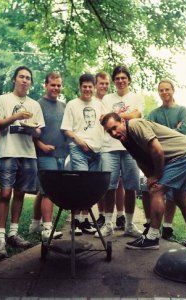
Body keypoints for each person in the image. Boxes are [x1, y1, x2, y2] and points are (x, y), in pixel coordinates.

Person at [101, 113, 186, 249]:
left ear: (123, 121)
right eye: (109, 131)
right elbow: (140, 160)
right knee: (180, 199)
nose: (113, 133)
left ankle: (152, 238)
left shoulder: (136, 125)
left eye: (115, 127)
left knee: (157, 190)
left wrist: (156, 176)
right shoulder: (124, 138)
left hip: (182, 155)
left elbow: (158, 151)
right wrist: (150, 178)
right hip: (185, 154)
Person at [0, 66, 45, 258]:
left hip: (28, 153)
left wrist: (33, 130)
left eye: (28, 78)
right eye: (21, 77)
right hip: (8, 151)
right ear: (14, 80)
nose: (25, 80)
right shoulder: (3, 100)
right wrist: (16, 117)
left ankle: (13, 233)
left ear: (31, 83)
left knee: (20, 193)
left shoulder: (34, 105)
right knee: (5, 193)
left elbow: (39, 130)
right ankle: (0, 237)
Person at [96, 66, 143, 238]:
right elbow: (103, 119)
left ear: (128, 79)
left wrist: (114, 115)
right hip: (109, 148)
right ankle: (108, 224)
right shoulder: (107, 98)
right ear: (114, 81)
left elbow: (137, 114)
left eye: (124, 77)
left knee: (131, 187)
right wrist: (123, 115)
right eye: (117, 78)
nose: (121, 80)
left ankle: (129, 225)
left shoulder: (136, 97)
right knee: (109, 187)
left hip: (131, 147)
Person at [146, 79, 186, 239]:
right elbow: (148, 132)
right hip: (161, 158)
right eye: (161, 90)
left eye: (167, 89)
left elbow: (182, 132)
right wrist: (173, 130)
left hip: (181, 156)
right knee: (157, 191)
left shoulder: (182, 111)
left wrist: (162, 135)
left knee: (175, 194)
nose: (164, 92)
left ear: (173, 90)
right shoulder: (154, 113)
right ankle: (153, 225)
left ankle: (168, 226)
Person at [61, 73, 104, 235]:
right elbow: (66, 129)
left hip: (96, 150)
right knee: (81, 184)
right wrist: (80, 142)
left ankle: (84, 220)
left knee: (91, 186)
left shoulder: (99, 104)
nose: (87, 89)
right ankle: (75, 221)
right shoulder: (72, 104)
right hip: (78, 149)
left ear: (94, 87)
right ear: (80, 87)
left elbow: (106, 123)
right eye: (84, 86)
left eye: (90, 86)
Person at [29, 72, 68, 241]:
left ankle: (35, 223)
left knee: (43, 190)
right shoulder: (37, 105)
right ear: (46, 85)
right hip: (44, 154)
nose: (56, 88)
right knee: (48, 192)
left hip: (61, 154)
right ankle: (47, 228)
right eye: (53, 85)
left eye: (59, 85)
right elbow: (30, 130)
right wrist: (41, 145)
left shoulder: (64, 106)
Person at [94, 72, 126, 229]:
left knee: (119, 183)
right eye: (101, 83)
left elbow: (112, 119)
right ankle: (102, 215)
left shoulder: (110, 101)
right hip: (101, 146)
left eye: (107, 83)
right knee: (104, 183)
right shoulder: (94, 102)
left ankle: (120, 215)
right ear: (95, 85)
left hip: (114, 144)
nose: (104, 86)